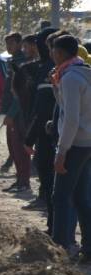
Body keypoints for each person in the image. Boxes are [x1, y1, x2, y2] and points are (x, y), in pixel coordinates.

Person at [49, 34, 91, 262]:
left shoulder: (70, 78)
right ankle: (88, 247)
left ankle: (62, 247)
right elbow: (68, 107)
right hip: (87, 143)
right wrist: (57, 90)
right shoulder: (83, 72)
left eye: (53, 51)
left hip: (75, 144)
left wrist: (61, 151)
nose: (51, 55)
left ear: (61, 53)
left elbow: (71, 119)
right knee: (82, 197)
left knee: (61, 196)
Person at [24, 27, 59, 222]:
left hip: (51, 133)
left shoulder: (50, 71)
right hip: (59, 131)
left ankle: (56, 232)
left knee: (50, 177)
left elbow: (42, 109)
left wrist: (29, 137)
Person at [0, 32, 31, 190]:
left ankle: (24, 182)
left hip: (19, 112)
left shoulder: (22, 63)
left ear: (20, 44)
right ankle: (20, 180)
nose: (8, 47)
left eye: (11, 43)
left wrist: (11, 114)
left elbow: (20, 93)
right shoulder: (13, 61)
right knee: (13, 147)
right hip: (13, 110)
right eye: (7, 44)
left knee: (19, 148)